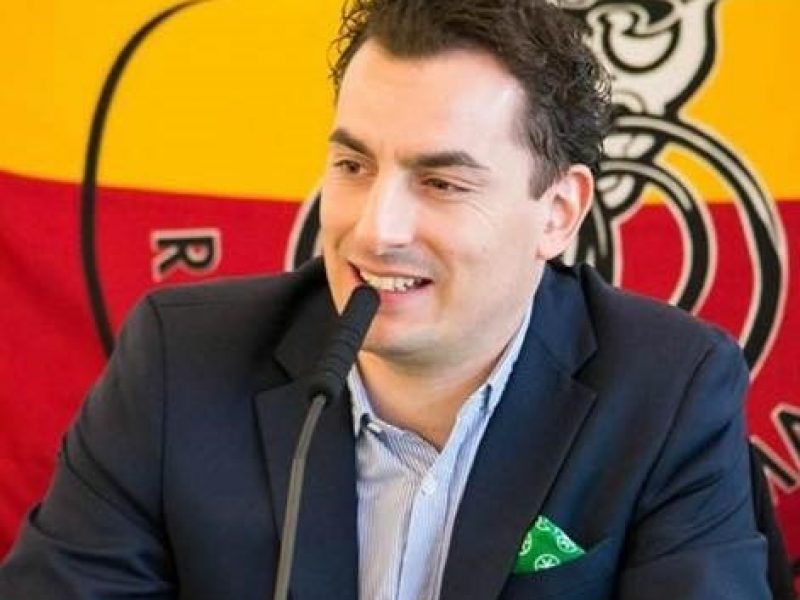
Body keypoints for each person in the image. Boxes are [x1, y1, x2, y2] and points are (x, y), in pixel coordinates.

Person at [0, 0, 771, 598]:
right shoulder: (178, 361)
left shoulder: (669, 391)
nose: (375, 230)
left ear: (558, 213)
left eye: (441, 182)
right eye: (353, 166)